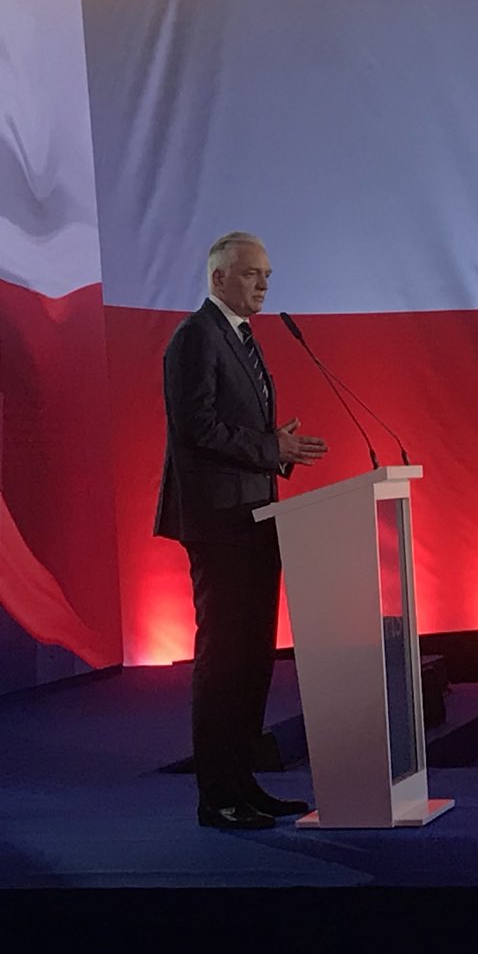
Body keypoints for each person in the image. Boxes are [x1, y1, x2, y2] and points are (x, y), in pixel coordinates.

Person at [156, 232, 328, 830]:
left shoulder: (242, 338)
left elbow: (234, 430)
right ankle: (218, 796)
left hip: (254, 517)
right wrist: (270, 447)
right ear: (218, 278)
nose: (263, 284)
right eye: (252, 274)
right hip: (219, 521)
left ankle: (244, 783)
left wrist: (276, 448)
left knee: (253, 659)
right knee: (224, 656)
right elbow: (196, 428)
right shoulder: (195, 336)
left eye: (267, 275)